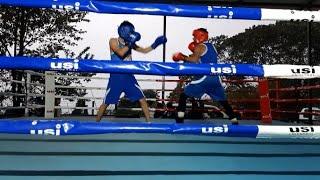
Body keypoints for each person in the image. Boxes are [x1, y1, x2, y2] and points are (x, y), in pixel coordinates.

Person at [96, 21, 167, 123]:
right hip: (116, 76)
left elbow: (144, 50)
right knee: (106, 102)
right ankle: (96, 123)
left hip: (128, 76)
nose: (131, 34)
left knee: (142, 99)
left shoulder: (130, 43)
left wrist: (155, 44)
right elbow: (120, 53)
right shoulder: (113, 41)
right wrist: (130, 43)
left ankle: (149, 123)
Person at [172, 28, 239, 125]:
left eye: (194, 36)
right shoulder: (212, 47)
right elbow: (201, 61)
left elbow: (194, 60)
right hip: (216, 79)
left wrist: (183, 57)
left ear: (200, 36)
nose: (193, 38)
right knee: (223, 101)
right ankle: (234, 120)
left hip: (204, 79)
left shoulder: (200, 46)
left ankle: (179, 119)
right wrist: (189, 57)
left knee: (184, 95)